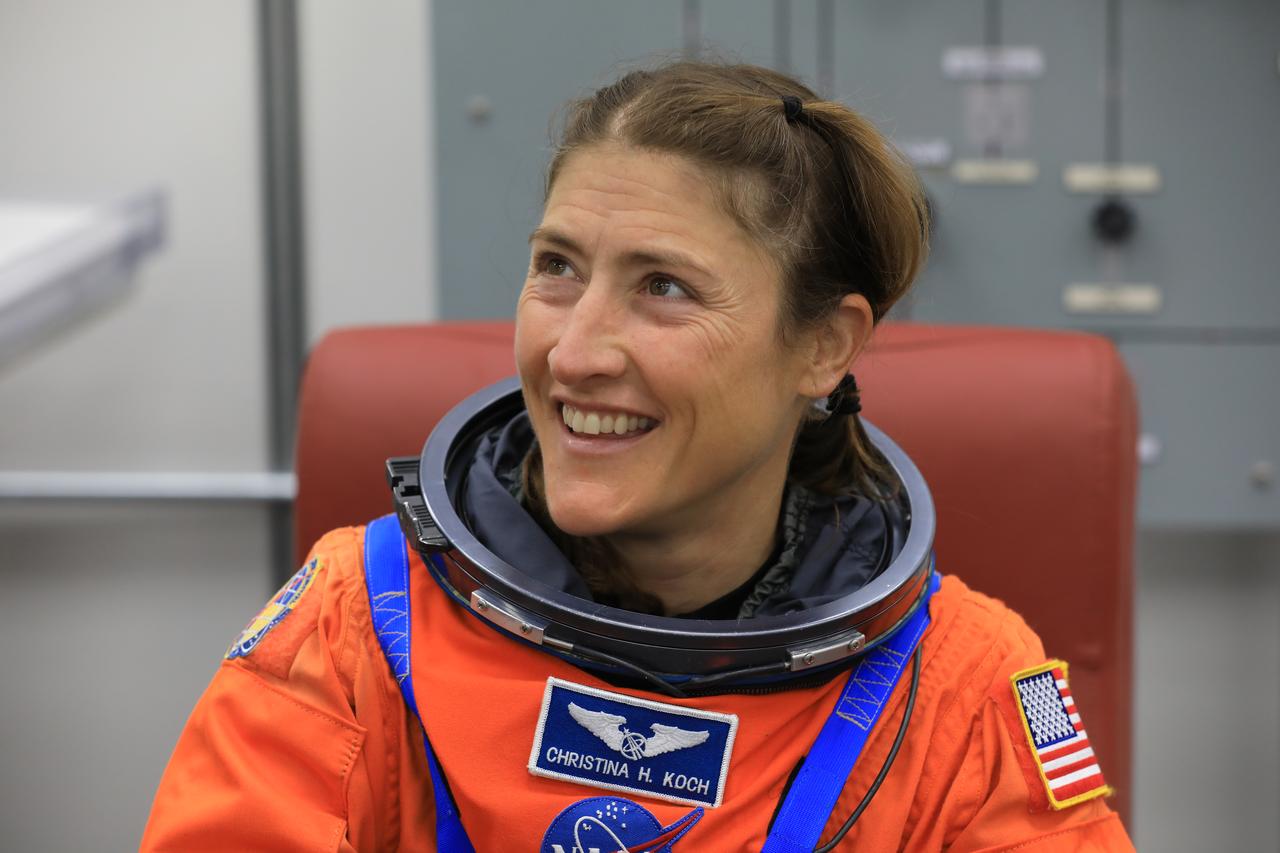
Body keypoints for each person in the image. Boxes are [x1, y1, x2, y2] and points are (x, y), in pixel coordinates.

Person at [142, 61, 1135, 851]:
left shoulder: (967, 686)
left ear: (823, 347)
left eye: (662, 287)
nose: (573, 352)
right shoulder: (349, 624)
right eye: (556, 267)